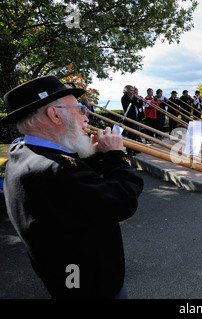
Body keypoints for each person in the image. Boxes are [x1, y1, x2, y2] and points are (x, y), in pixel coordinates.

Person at [0, 75, 144, 298]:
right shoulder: (54, 170)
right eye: (80, 110)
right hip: (92, 286)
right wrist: (116, 156)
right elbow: (122, 201)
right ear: (55, 114)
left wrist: (94, 155)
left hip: (66, 278)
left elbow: (76, 189)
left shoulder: (22, 153)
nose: (86, 118)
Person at [121, 85, 140, 155]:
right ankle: (129, 149)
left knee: (135, 134)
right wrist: (135, 98)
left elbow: (138, 105)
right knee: (130, 134)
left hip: (135, 117)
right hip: (130, 118)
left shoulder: (131, 97)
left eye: (133, 90)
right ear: (127, 90)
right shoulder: (124, 98)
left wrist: (139, 100)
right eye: (131, 90)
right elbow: (131, 104)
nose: (132, 92)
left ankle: (134, 148)